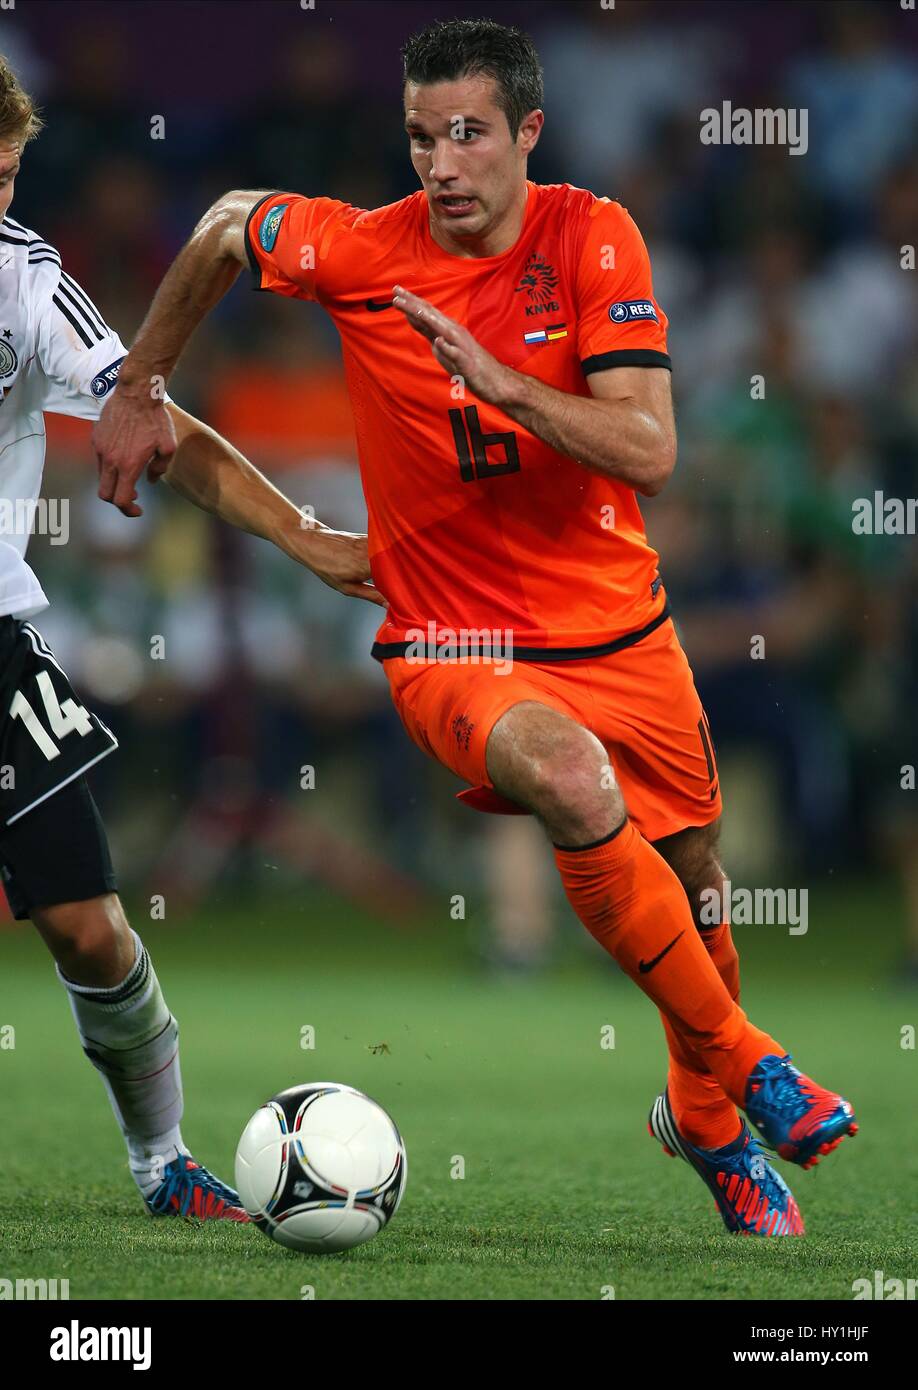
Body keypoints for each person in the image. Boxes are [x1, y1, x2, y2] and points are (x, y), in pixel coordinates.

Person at [93, 19, 857, 1237]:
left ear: (525, 135)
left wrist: (504, 385)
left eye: (466, 135)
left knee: (699, 877)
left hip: (619, 628)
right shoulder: (361, 250)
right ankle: (752, 1063)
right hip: (452, 643)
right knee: (568, 775)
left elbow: (650, 448)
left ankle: (705, 1118)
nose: (440, 163)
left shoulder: (591, 234)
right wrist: (142, 383)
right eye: (418, 136)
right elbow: (227, 222)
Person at [0, 55, 380, 1223]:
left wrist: (309, 535)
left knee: (90, 925)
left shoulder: (23, 280)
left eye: (8, 171)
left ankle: (161, 1161)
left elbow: (148, 416)